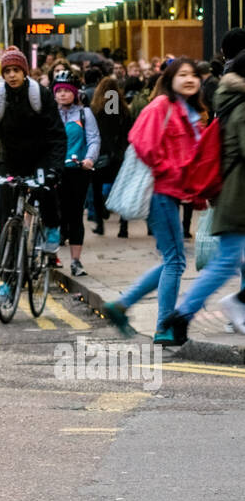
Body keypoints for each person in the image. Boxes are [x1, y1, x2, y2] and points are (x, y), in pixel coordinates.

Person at [102, 57, 208, 344]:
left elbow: (191, 157)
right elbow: (142, 141)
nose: (189, 79)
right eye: (182, 74)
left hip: (173, 192)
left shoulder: (189, 111)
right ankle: (162, 326)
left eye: (194, 75)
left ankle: (122, 306)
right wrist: (168, 172)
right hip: (160, 192)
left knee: (171, 259)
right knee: (174, 261)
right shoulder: (161, 106)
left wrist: (195, 190)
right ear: (170, 79)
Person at [161, 50, 245, 342]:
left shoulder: (231, 101)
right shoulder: (243, 108)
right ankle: (183, 314)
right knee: (225, 263)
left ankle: (195, 311)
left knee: (228, 261)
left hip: (235, 197)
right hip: (239, 200)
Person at [0, 46, 66, 258]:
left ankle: (52, 227)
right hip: (10, 159)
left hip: (40, 156)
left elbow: (57, 135)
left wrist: (55, 167)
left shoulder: (40, 95)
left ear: (24, 71)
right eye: (7, 71)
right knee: (7, 216)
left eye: (16, 70)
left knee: (47, 188)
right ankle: (7, 278)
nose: (12, 75)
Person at [52, 72, 100, 277]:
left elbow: (94, 139)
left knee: (74, 217)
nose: (62, 95)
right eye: (59, 91)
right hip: (54, 170)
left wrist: (89, 159)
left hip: (77, 171)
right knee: (52, 215)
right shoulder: (50, 115)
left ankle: (76, 261)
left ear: (74, 93)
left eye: (66, 91)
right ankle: (50, 254)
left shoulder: (84, 114)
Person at [89, 75, 132, 237]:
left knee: (97, 191)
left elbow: (108, 130)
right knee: (122, 191)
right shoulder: (120, 107)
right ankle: (123, 227)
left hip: (103, 155)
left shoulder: (104, 107)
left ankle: (100, 224)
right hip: (119, 156)